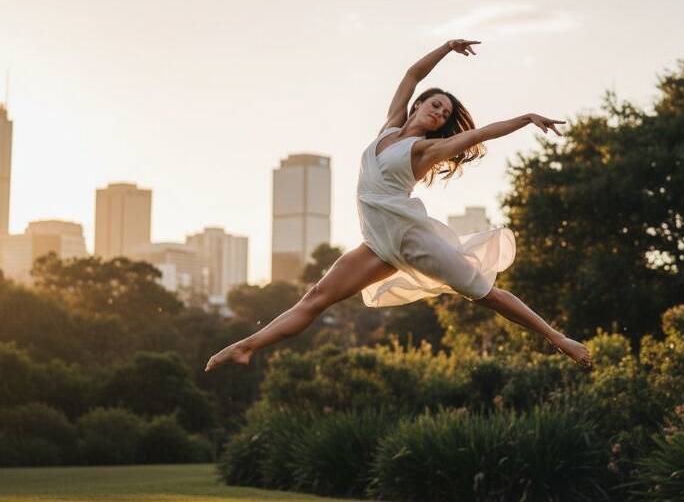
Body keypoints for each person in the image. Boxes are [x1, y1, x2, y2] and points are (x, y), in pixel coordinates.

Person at [205, 39, 592, 372]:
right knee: (316, 297)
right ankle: (247, 347)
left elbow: (482, 132)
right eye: (435, 105)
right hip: (378, 241)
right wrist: (446, 47)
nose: (439, 113)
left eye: (444, 114)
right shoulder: (389, 127)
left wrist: (525, 119)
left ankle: (560, 340)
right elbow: (412, 74)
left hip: (412, 239)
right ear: (419, 104)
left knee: (486, 294)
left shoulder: (425, 149)